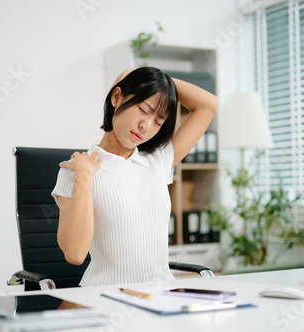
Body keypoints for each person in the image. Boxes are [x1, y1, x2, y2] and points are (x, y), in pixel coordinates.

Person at [51, 67, 218, 287]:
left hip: (160, 296)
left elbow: (209, 105)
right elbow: (75, 254)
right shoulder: (75, 169)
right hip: (106, 297)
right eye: (143, 109)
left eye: (158, 121)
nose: (146, 126)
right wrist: (84, 174)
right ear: (117, 97)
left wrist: (159, 82)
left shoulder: (158, 161)